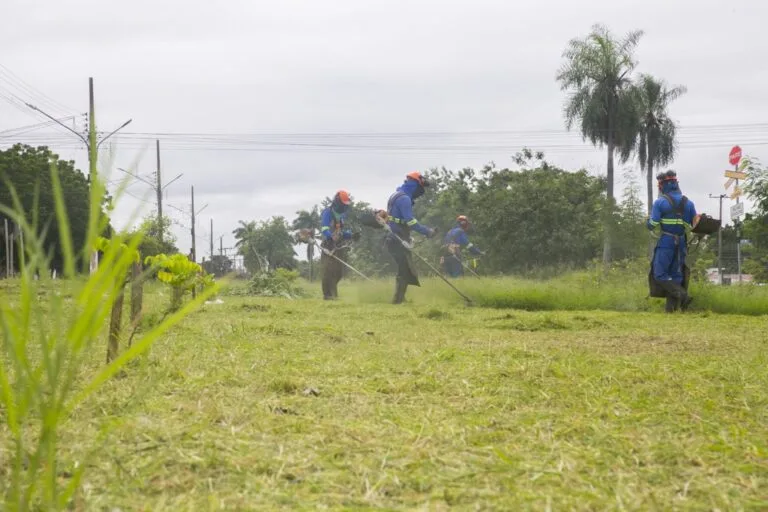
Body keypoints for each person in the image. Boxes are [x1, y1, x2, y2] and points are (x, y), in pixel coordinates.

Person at [647, 170, 697, 312]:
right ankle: (671, 310)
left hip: (666, 242)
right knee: (676, 276)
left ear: (663, 185)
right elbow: (694, 224)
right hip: (681, 243)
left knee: (659, 274)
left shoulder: (660, 202)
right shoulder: (689, 203)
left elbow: (653, 224)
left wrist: (647, 222)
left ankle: (683, 296)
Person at [385, 171, 437, 304]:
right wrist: (427, 231)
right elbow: (411, 222)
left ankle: (400, 298)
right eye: (421, 187)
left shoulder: (396, 195)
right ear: (416, 185)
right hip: (398, 238)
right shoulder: (405, 199)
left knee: (405, 269)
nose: (421, 191)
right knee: (405, 270)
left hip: (395, 237)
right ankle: (397, 300)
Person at [319, 190, 358, 300]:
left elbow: (341, 232)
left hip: (339, 245)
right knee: (328, 271)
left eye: (346, 204)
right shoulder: (328, 212)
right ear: (337, 202)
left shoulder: (342, 215)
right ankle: (327, 295)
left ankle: (333, 294)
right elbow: (324, 229)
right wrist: (331, 236)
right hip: (329, 245)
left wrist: (351, 235)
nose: (344, 206)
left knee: (339, 272)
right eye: (343, 204)